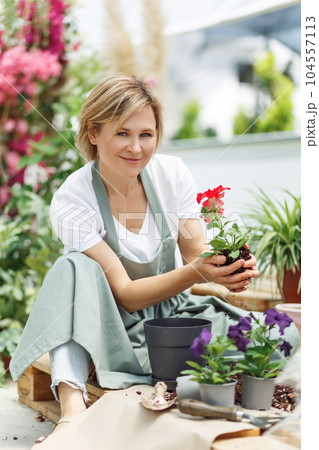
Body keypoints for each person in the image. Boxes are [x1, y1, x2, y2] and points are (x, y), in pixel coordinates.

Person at [9, 75, 298, 443]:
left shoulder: (171, 174)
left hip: (173, 320)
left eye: (146, 134)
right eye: (122, 133)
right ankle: (72, 410)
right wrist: (195, 272)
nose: (136, 148)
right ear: (93, 133)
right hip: (109, 323)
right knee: (72, 267)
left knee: (280, 334)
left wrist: (227, 268)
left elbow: (196, 253)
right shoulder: (73, 199)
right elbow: (127, 293)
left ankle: (177, 373)